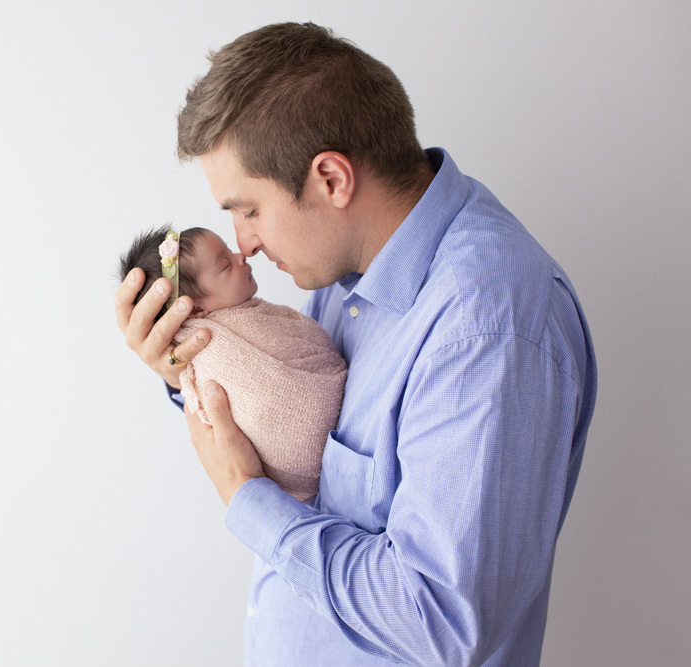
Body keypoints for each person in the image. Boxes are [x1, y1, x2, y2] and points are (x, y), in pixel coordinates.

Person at [114, 22, 597, 666]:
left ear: (332, 180)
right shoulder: (346, 273)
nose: (244, 241)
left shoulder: (488, 325)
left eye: (249, 209)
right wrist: (190, 371)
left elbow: (440, 624)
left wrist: (247, 498)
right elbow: (302, 441)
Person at [117, 224, 347, 500]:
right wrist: (175, 379)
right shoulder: (214, 345)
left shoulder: (262, 318)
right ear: (196, 309)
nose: (242, 256)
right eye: (225, 264)